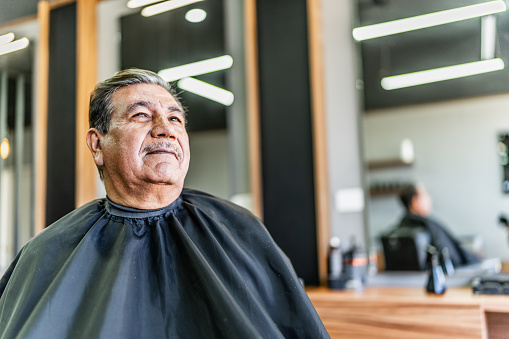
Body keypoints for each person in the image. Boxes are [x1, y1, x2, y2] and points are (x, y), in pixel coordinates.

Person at [0, 69, 329, 338]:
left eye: (175, 119)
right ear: (97, 144)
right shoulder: (48, 251)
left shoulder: (240, 229)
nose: (165, 130)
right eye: (142, 115)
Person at [395, 183, 479, 267]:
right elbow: (454, 258)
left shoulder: (398, 229)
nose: (430, 198)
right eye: (425, 195)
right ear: (415, 201)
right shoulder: (427, 227)